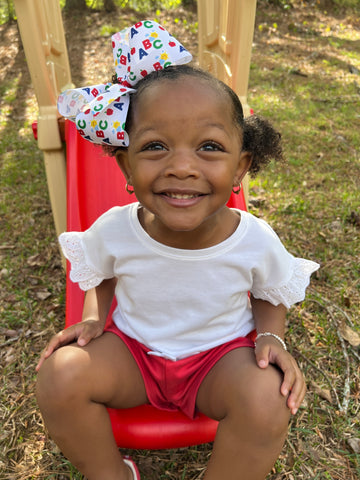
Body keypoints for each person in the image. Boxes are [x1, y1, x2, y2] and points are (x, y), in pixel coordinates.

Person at [36, 21, 319, 480]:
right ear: (126, 164)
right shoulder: (116, 228)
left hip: (219, 361)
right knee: (60, 374)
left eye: (209, 147)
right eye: (155, 147)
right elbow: (103, 274)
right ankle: (111, 474)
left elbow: (271, 292)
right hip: (132, 354)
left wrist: (271, 337)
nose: (182, 167)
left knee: (269, 397)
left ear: (240, 166)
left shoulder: (254, 238)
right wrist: (92, 318)